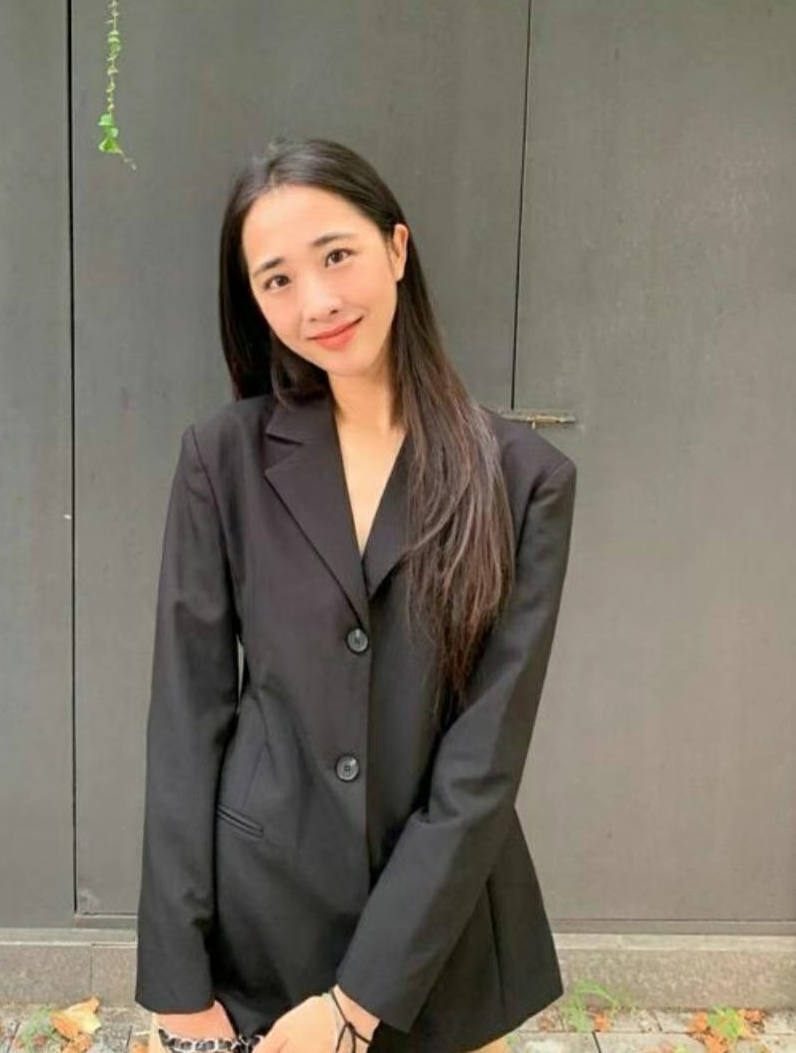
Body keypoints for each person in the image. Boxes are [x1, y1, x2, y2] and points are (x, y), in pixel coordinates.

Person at [135, 137, 577, 1053]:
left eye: (336, 255)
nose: (318, 302)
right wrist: (176, 978)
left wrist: (358, 1003)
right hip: (259, 927)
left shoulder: (521, 479)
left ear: (397, 248)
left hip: (440, 944)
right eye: (277, 279)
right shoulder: (223, 458)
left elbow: (484, 757)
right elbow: (186, 716)